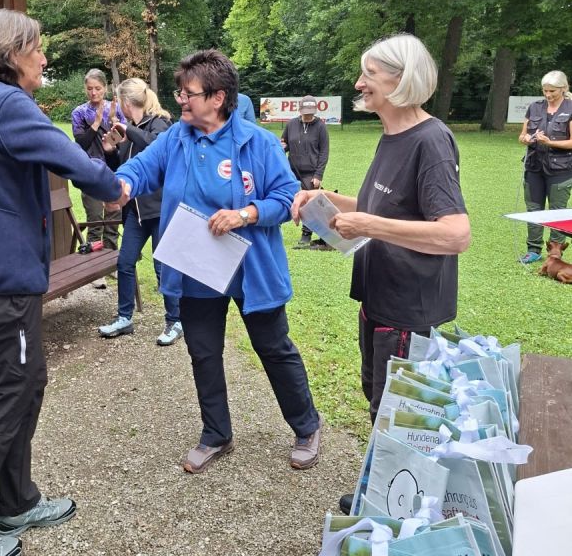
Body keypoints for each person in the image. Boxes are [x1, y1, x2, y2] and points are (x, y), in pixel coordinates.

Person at [0, 9, 121, 556]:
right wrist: (113, 186)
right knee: (10, 390)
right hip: (3, 277)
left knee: (26, 381)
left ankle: (17, 503)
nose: (44, 57)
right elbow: (67, 156)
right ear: (11, 52)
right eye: (37, 47)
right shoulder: (7, 104)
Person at [113, 48, 321, 474]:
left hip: (251, 270)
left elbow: (287, 198)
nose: (181, 100)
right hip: (196, 269)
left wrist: (245, 214)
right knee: (203, 352)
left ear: (218, 97)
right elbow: (141, 169)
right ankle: (216, 433)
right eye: (180, 92)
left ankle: (306, 426)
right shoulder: (176, 138)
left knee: (273, 348)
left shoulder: (258, 142)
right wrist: (121, 184)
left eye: (188, 94)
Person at [291, 34, 470, 513]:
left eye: (369, 74)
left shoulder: (431, 141)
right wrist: (325, 200)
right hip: (378, 299)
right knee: (379, 402)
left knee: (400, 415)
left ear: (401, 79)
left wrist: (368, 224)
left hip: (408, 308)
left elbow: (455, 233)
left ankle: (397, 511)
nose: (358, 83)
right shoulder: (392, 136)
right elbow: (380, 207)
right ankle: (383, 493)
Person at [97, 77, 182, 346]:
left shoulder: (160, 123)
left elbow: (157, 148)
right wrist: (110, 151)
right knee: (125, 262)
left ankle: (175, 320)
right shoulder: (130, 130)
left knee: (162, 266)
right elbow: (123, 168)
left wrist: (128, 131)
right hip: (135, 211)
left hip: (158, 209)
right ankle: (125, 317)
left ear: (126, 102)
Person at [517, 70, 572, 263]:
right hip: (534, 167)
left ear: (563, 88)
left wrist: (550, 143)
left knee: (557, 211)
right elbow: (522, 135)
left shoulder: (570, 108)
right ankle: (533, 250)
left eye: (552, 91)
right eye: (545, 90)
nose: (548, 95)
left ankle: (555, 252)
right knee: (533, 209)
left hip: (561, 170)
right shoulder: (534, 107)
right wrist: (526, 138)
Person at [71, 69, 125, 254]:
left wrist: (114, 122)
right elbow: (81, 144)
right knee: (94, 221)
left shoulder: (116, 109)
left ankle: (110, 263)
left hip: (113, 172)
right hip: (90, 173)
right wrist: (96, 123)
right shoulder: (79, 112)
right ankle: (93, 264)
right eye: (89, 89)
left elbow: (123, 143)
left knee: (112, 224)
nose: (93, 93)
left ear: (105, 88)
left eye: (98, 88)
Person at [281, 95, 330, 249]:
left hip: (311, 173)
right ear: (300, 110)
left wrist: (318, 174)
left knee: (310, 205)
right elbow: (284, 144)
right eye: (305, 112)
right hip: (292, 171)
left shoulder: (320, 127)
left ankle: (307, 235)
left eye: (310, 113)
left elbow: (324, 152)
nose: (308, 116)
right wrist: (282, 147)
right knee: (289, 201)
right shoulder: (291, 124)